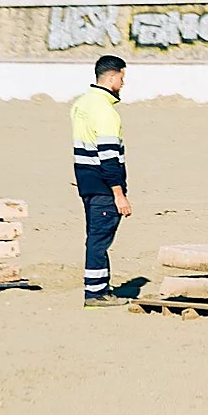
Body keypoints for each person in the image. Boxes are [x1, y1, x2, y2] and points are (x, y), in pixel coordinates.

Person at [71, 55, 132, 308]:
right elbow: (108, 157)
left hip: (86, 183)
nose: (123, 83)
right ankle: (95, 294)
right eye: (121, 77)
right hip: (103, 187)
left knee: (94, 237)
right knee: (99, 240)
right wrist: (119, 194)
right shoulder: (106, 112)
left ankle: (98, 289)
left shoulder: (80, 105)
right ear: (110, 77)